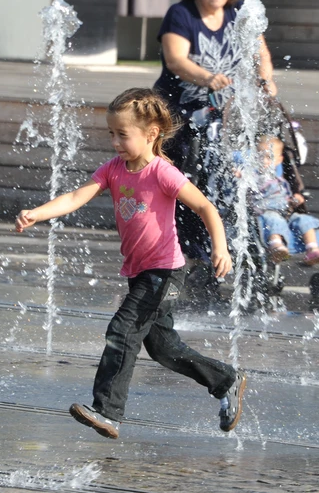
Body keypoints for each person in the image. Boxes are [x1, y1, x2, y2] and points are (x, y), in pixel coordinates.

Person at [15, 88, 247, 439]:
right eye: (111, 134)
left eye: (122, 135)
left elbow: (205, 207)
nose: (115, 143)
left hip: (164, 270)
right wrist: (38, 213)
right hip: (140, 272)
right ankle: (225, 380)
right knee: (164, 348)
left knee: (122, 332)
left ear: (151, 134)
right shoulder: (113, 169)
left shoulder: (161, 173)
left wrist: (221, 247)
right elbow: (77, 196)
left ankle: (107, 411)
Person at [153, 0, 276, 264]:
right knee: (187, 172)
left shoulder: (237, 15)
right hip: (179, 111)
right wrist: (207, 78)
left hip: (222, 115)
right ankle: (186, 243)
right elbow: (175, 60)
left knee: (225, 172)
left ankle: (224, 244)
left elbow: (261, 52)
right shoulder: (181, 14)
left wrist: (266, 80)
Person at [237, 107, 319, 267]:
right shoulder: (254, 175)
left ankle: (313, 249)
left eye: (269, 157)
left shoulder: (280, 178)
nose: (264, 161)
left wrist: (296, 199)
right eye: (260, 156)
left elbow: (287, 195)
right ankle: (277, 247)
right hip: (266, 211)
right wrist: (239, 174)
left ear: (279, 160)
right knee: (273, 220)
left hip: (287, 212)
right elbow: (246, 182)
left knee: (305, 220)